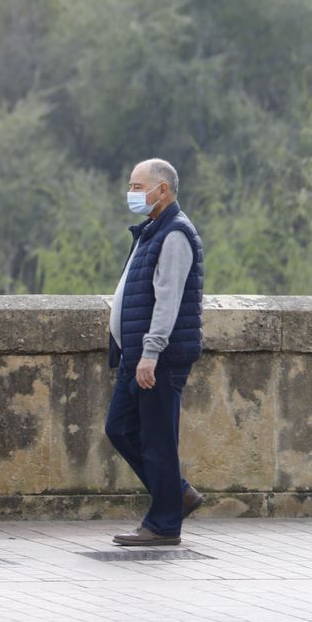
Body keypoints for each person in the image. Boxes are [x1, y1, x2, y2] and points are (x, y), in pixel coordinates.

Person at [104, 157, 206, 546]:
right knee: (120, 428)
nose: (132, 193)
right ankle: (176, 494)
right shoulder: (153, 230)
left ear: (161, 190)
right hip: (136, 356)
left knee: (157, 439)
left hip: (157, 359)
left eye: (137, 186)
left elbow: (168, 301)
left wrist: (151, 352)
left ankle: (164, 524)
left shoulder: (175, 234)